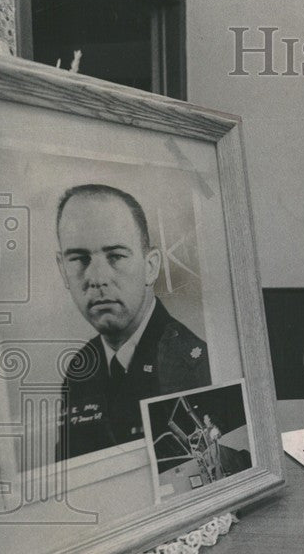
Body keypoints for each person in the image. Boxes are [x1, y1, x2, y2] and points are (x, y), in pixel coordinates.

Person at [55, 184, 211, 460]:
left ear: (150, 267)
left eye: (115, 256)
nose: (97, 277)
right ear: (62, 270)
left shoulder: (194, 365)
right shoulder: (80, 368)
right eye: (79, 259)